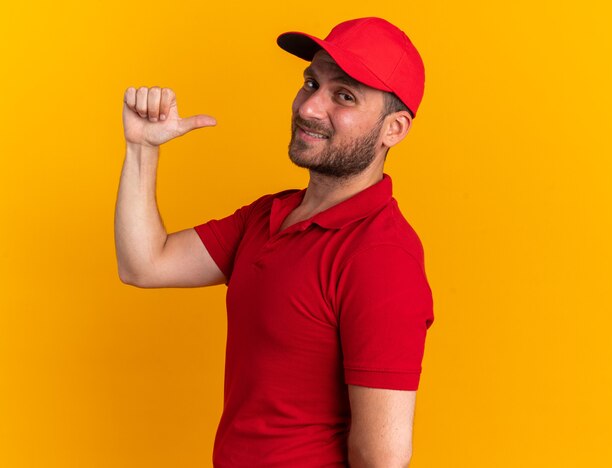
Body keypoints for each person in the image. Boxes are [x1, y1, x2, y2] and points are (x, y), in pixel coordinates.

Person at [115, 16, 434, 468]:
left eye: (344, 96)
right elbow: (145, 264)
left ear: (394, 129)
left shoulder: (381, 258)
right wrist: (142, 148)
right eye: (311, 83)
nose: (308, 107)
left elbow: (381, 459)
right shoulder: (269, 216)